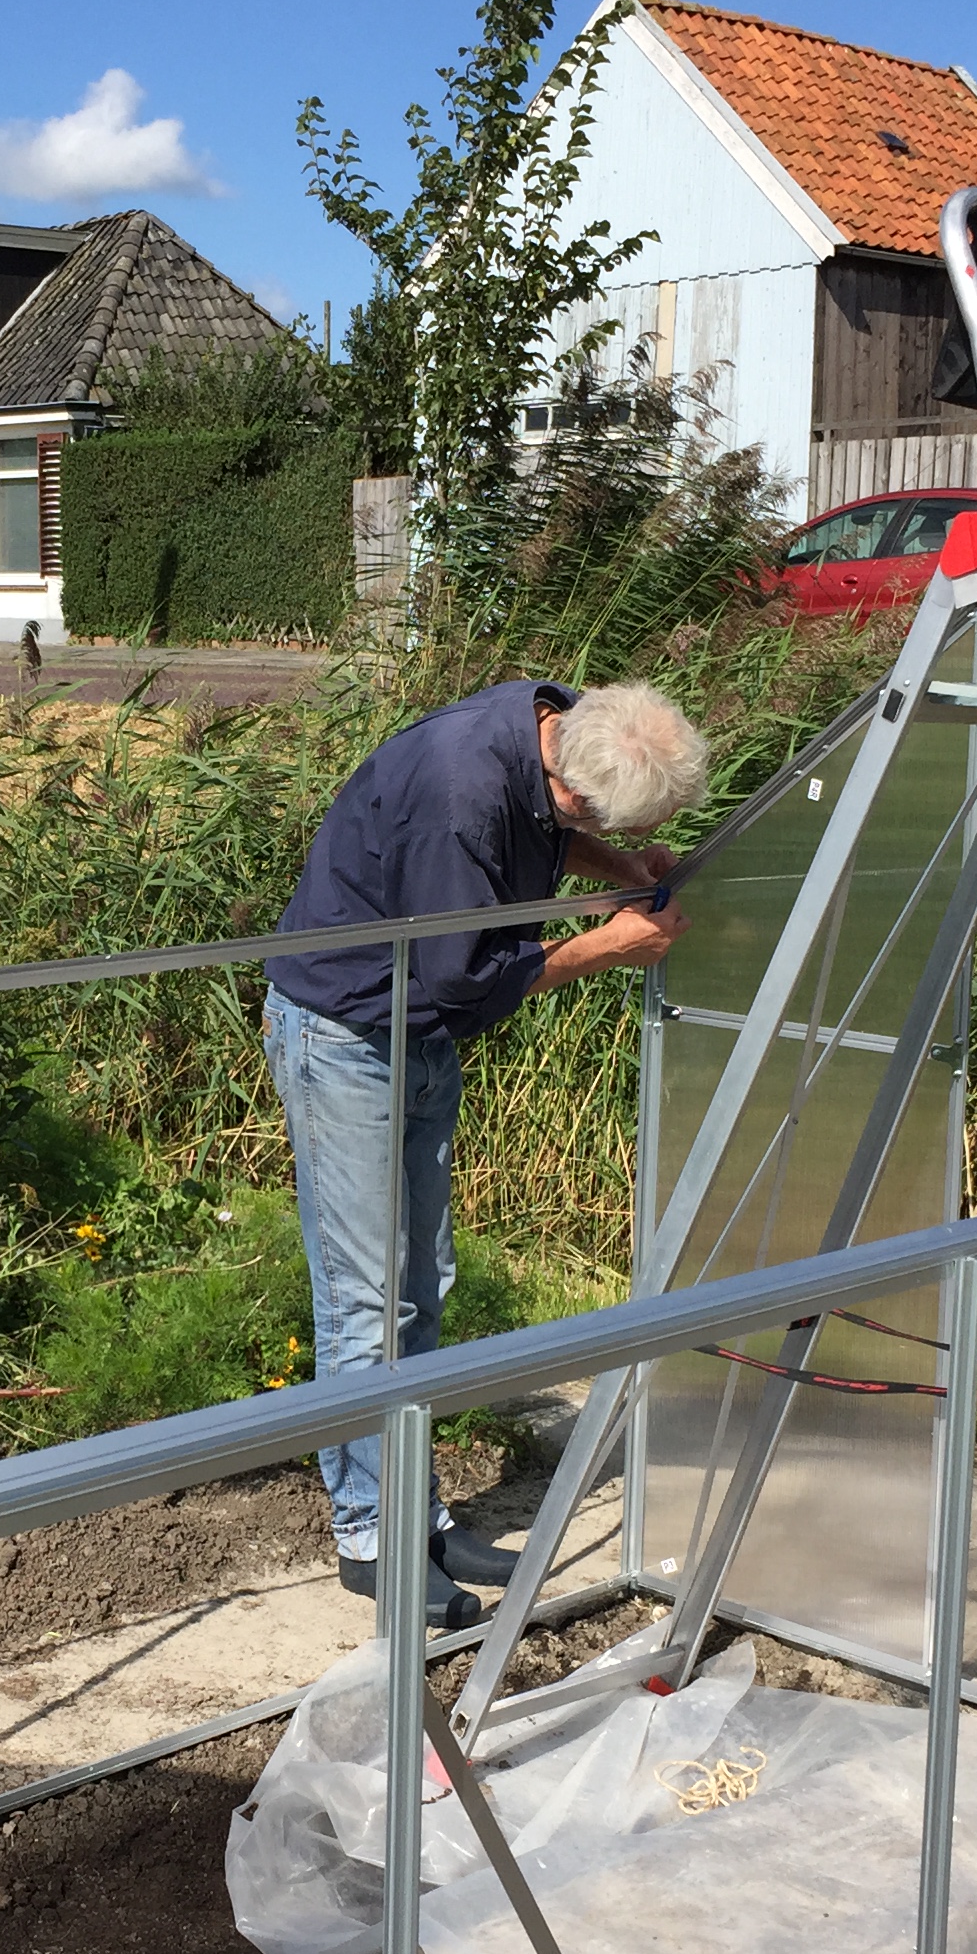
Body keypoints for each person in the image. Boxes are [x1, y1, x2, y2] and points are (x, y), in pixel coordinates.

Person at [260, 677, 710, 1629]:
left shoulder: (556, 727)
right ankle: (370, 1538)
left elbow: (546, 831)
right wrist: (609, 945)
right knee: (365, 1301)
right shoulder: (458, 792)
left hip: (416, 1034)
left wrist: (622, 869)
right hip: (347, 1036)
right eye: (599, 823)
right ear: (572, 784)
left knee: (421, 1284)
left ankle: (417, 1517)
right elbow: (464, 979)